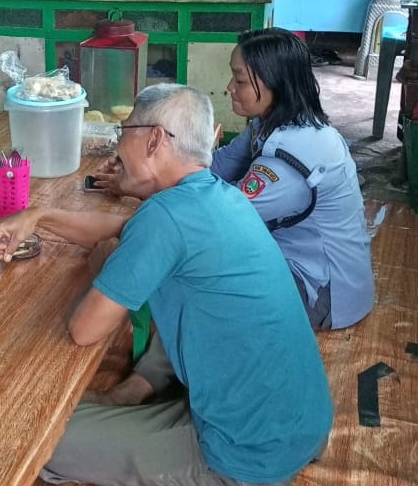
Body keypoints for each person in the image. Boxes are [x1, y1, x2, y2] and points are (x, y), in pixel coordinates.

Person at [0, 84, 332, 486]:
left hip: (243, 453)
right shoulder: (221, 197)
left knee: (22, 429)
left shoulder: (167, 217)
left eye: (124, 132)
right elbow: (124, 229)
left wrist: (103, 267)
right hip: (298, 420)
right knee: (183, 303)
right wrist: (38, 217)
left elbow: (85, 331)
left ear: (153, 139)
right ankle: (134, 391)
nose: (118, 148)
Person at [95, 27, 375, 331]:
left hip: (322, 294)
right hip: (295, 262)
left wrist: (143, 186)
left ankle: (155, 367)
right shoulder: (270, 124)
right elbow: (216, 165)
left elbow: (217, 221)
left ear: (274, 84)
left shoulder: (291, 158)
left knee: (179, 272)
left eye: (240, 80)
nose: (229, 87)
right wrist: (141, 169)